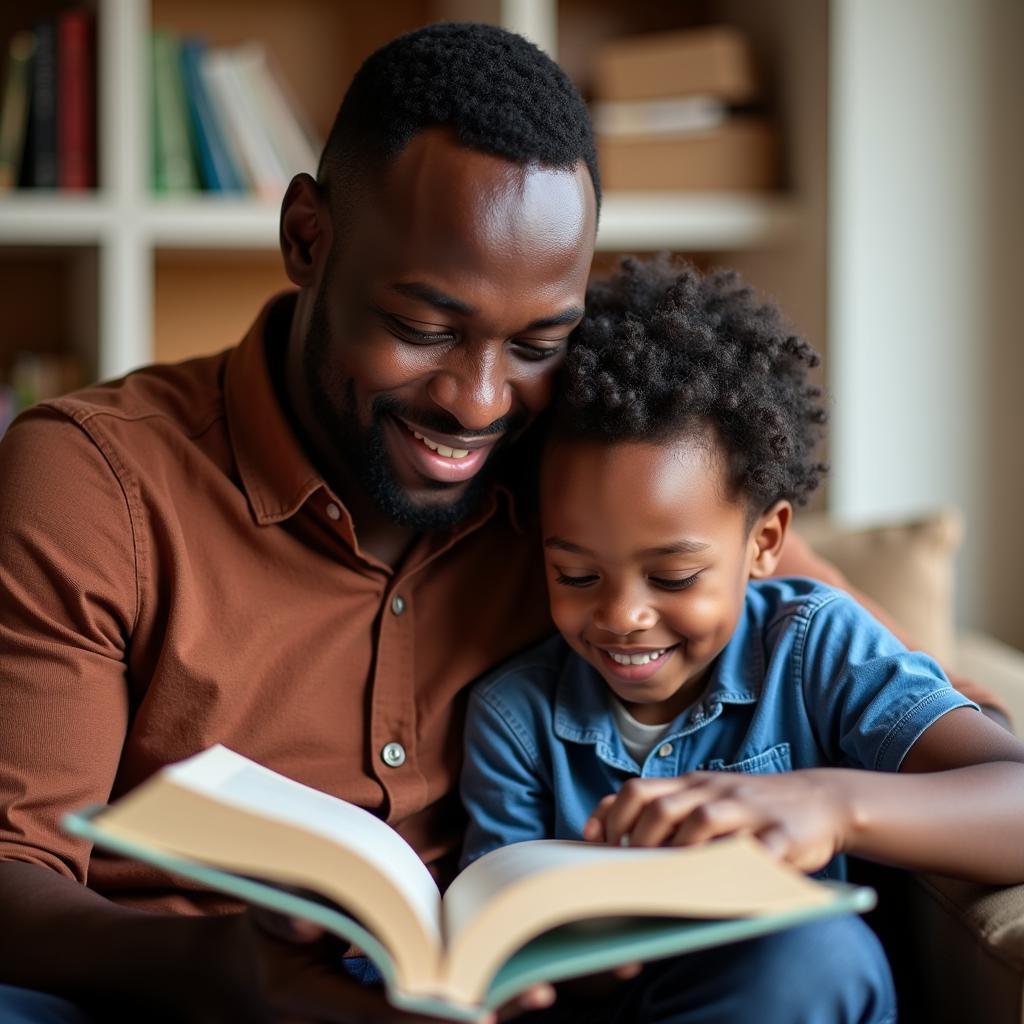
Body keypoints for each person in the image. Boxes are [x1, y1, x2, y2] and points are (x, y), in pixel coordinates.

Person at [0, 22, 1008, 1024]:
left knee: (804, 958)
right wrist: (222, 972)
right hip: (178, 989)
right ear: (306, 239)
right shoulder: (95, 480)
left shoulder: (584, 471)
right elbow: (14, 872)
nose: (479, 402)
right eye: (423, 328)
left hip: (529, 993)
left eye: (536, 341)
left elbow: (944, 723)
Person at [459, 256, 1024, 1024]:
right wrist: (591, 944)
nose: (622, 616)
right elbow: (500, 944)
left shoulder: (814, 647)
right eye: (578, 576)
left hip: (785, 992)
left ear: (766, 542)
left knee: (817, 951)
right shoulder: (514, 716)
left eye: (673, 577)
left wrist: (831, 803)